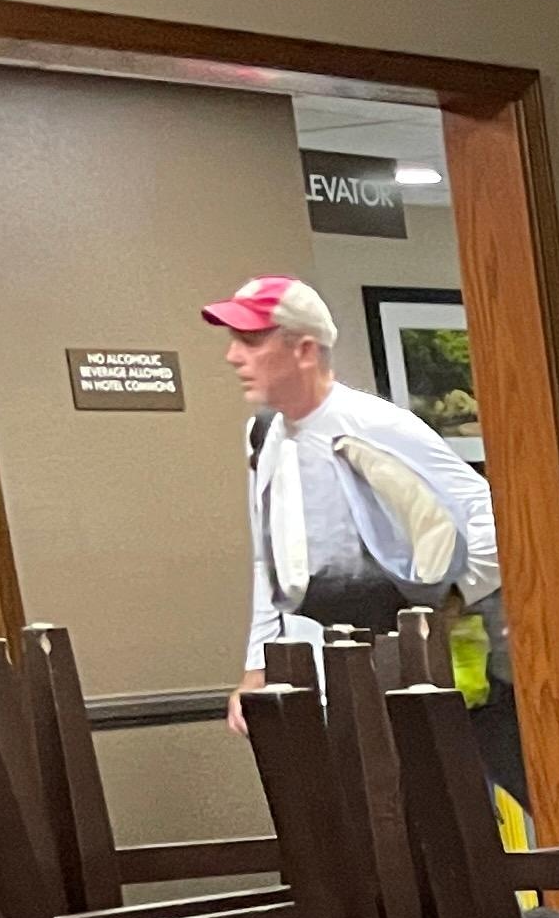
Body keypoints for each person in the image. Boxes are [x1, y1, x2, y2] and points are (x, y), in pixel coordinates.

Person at [201, 274, 498, 736]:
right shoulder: (263, 435)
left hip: (392, 676)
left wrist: (449, 600)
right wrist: (257, 666)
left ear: (304, 350)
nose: (233, 356)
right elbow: (269, 560)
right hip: (307, 678)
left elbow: (490, 519)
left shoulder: (375, 425)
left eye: (251, 341)